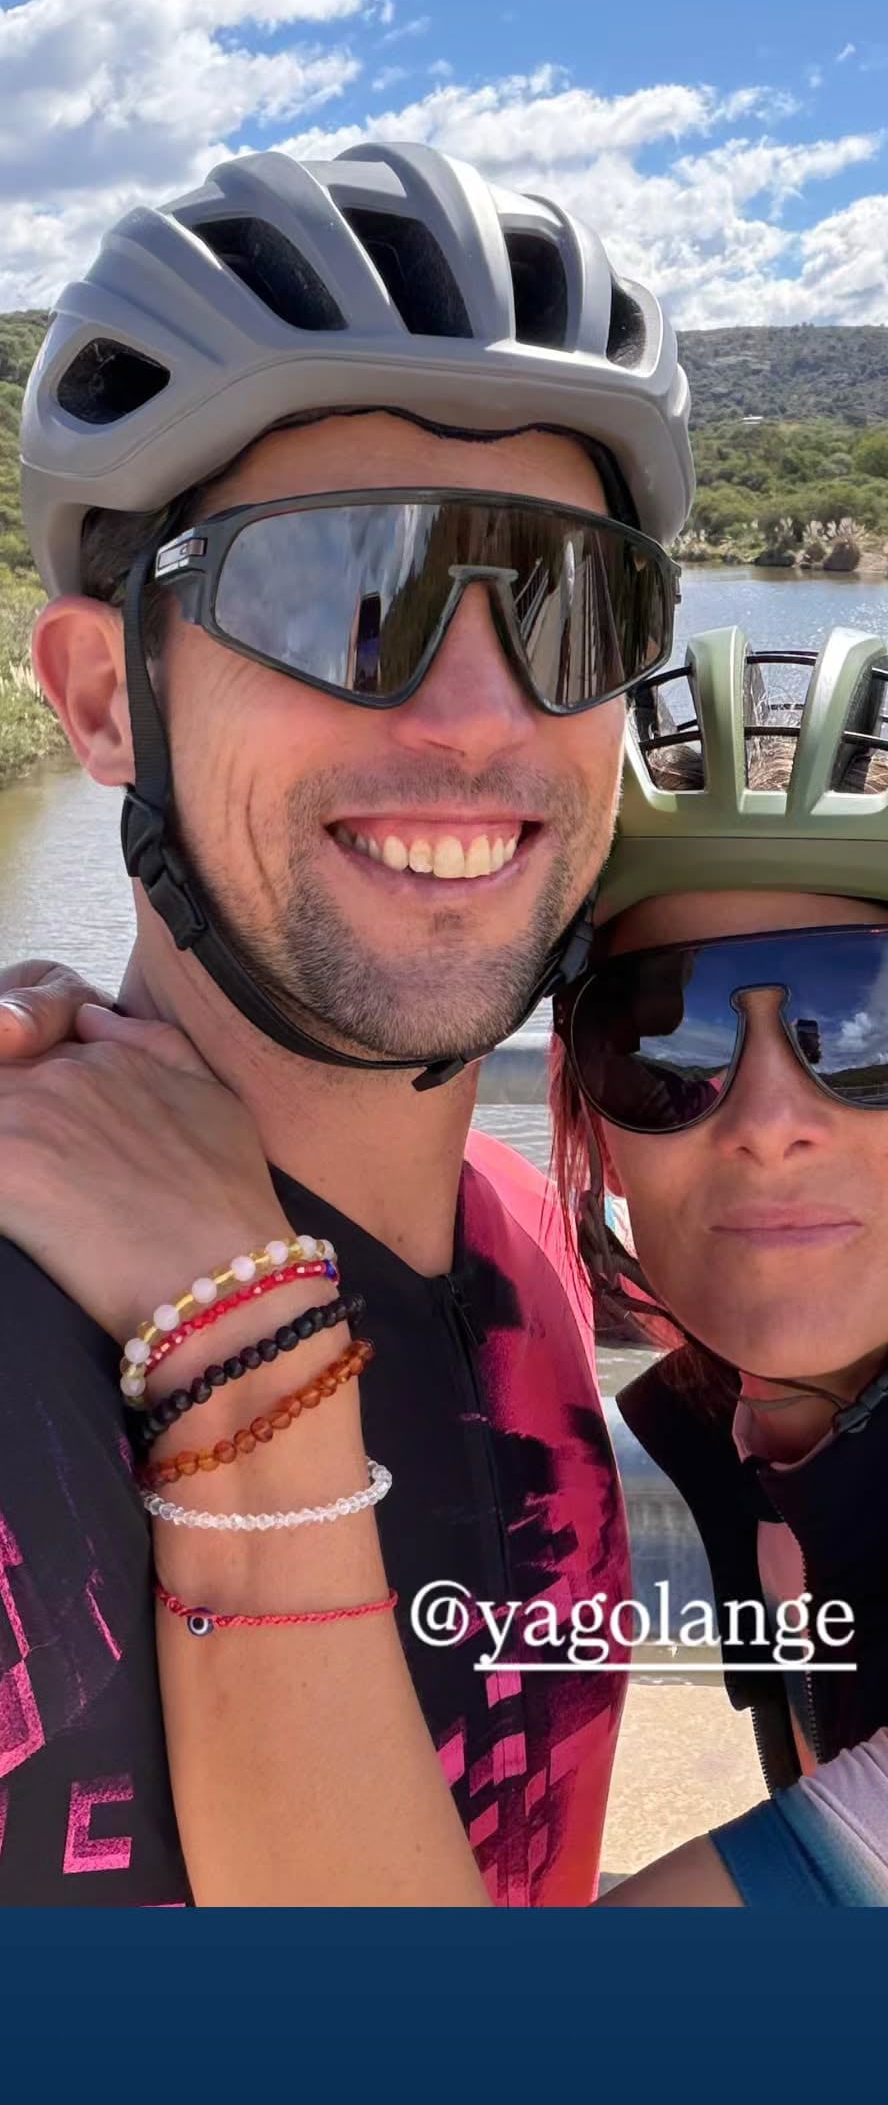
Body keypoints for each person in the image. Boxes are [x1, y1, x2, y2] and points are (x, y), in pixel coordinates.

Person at [4, 626, 888, 1904]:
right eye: (666, 1034)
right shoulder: (822, 1410)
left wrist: (234, 1323)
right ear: (589, 1105)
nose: (766, 1126)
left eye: (873, 1026)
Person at [0, 140, 694, 1906]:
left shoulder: (531, 1246)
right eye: (337, 594)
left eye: (566, 602)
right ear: (103, 699)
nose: (478, 717)